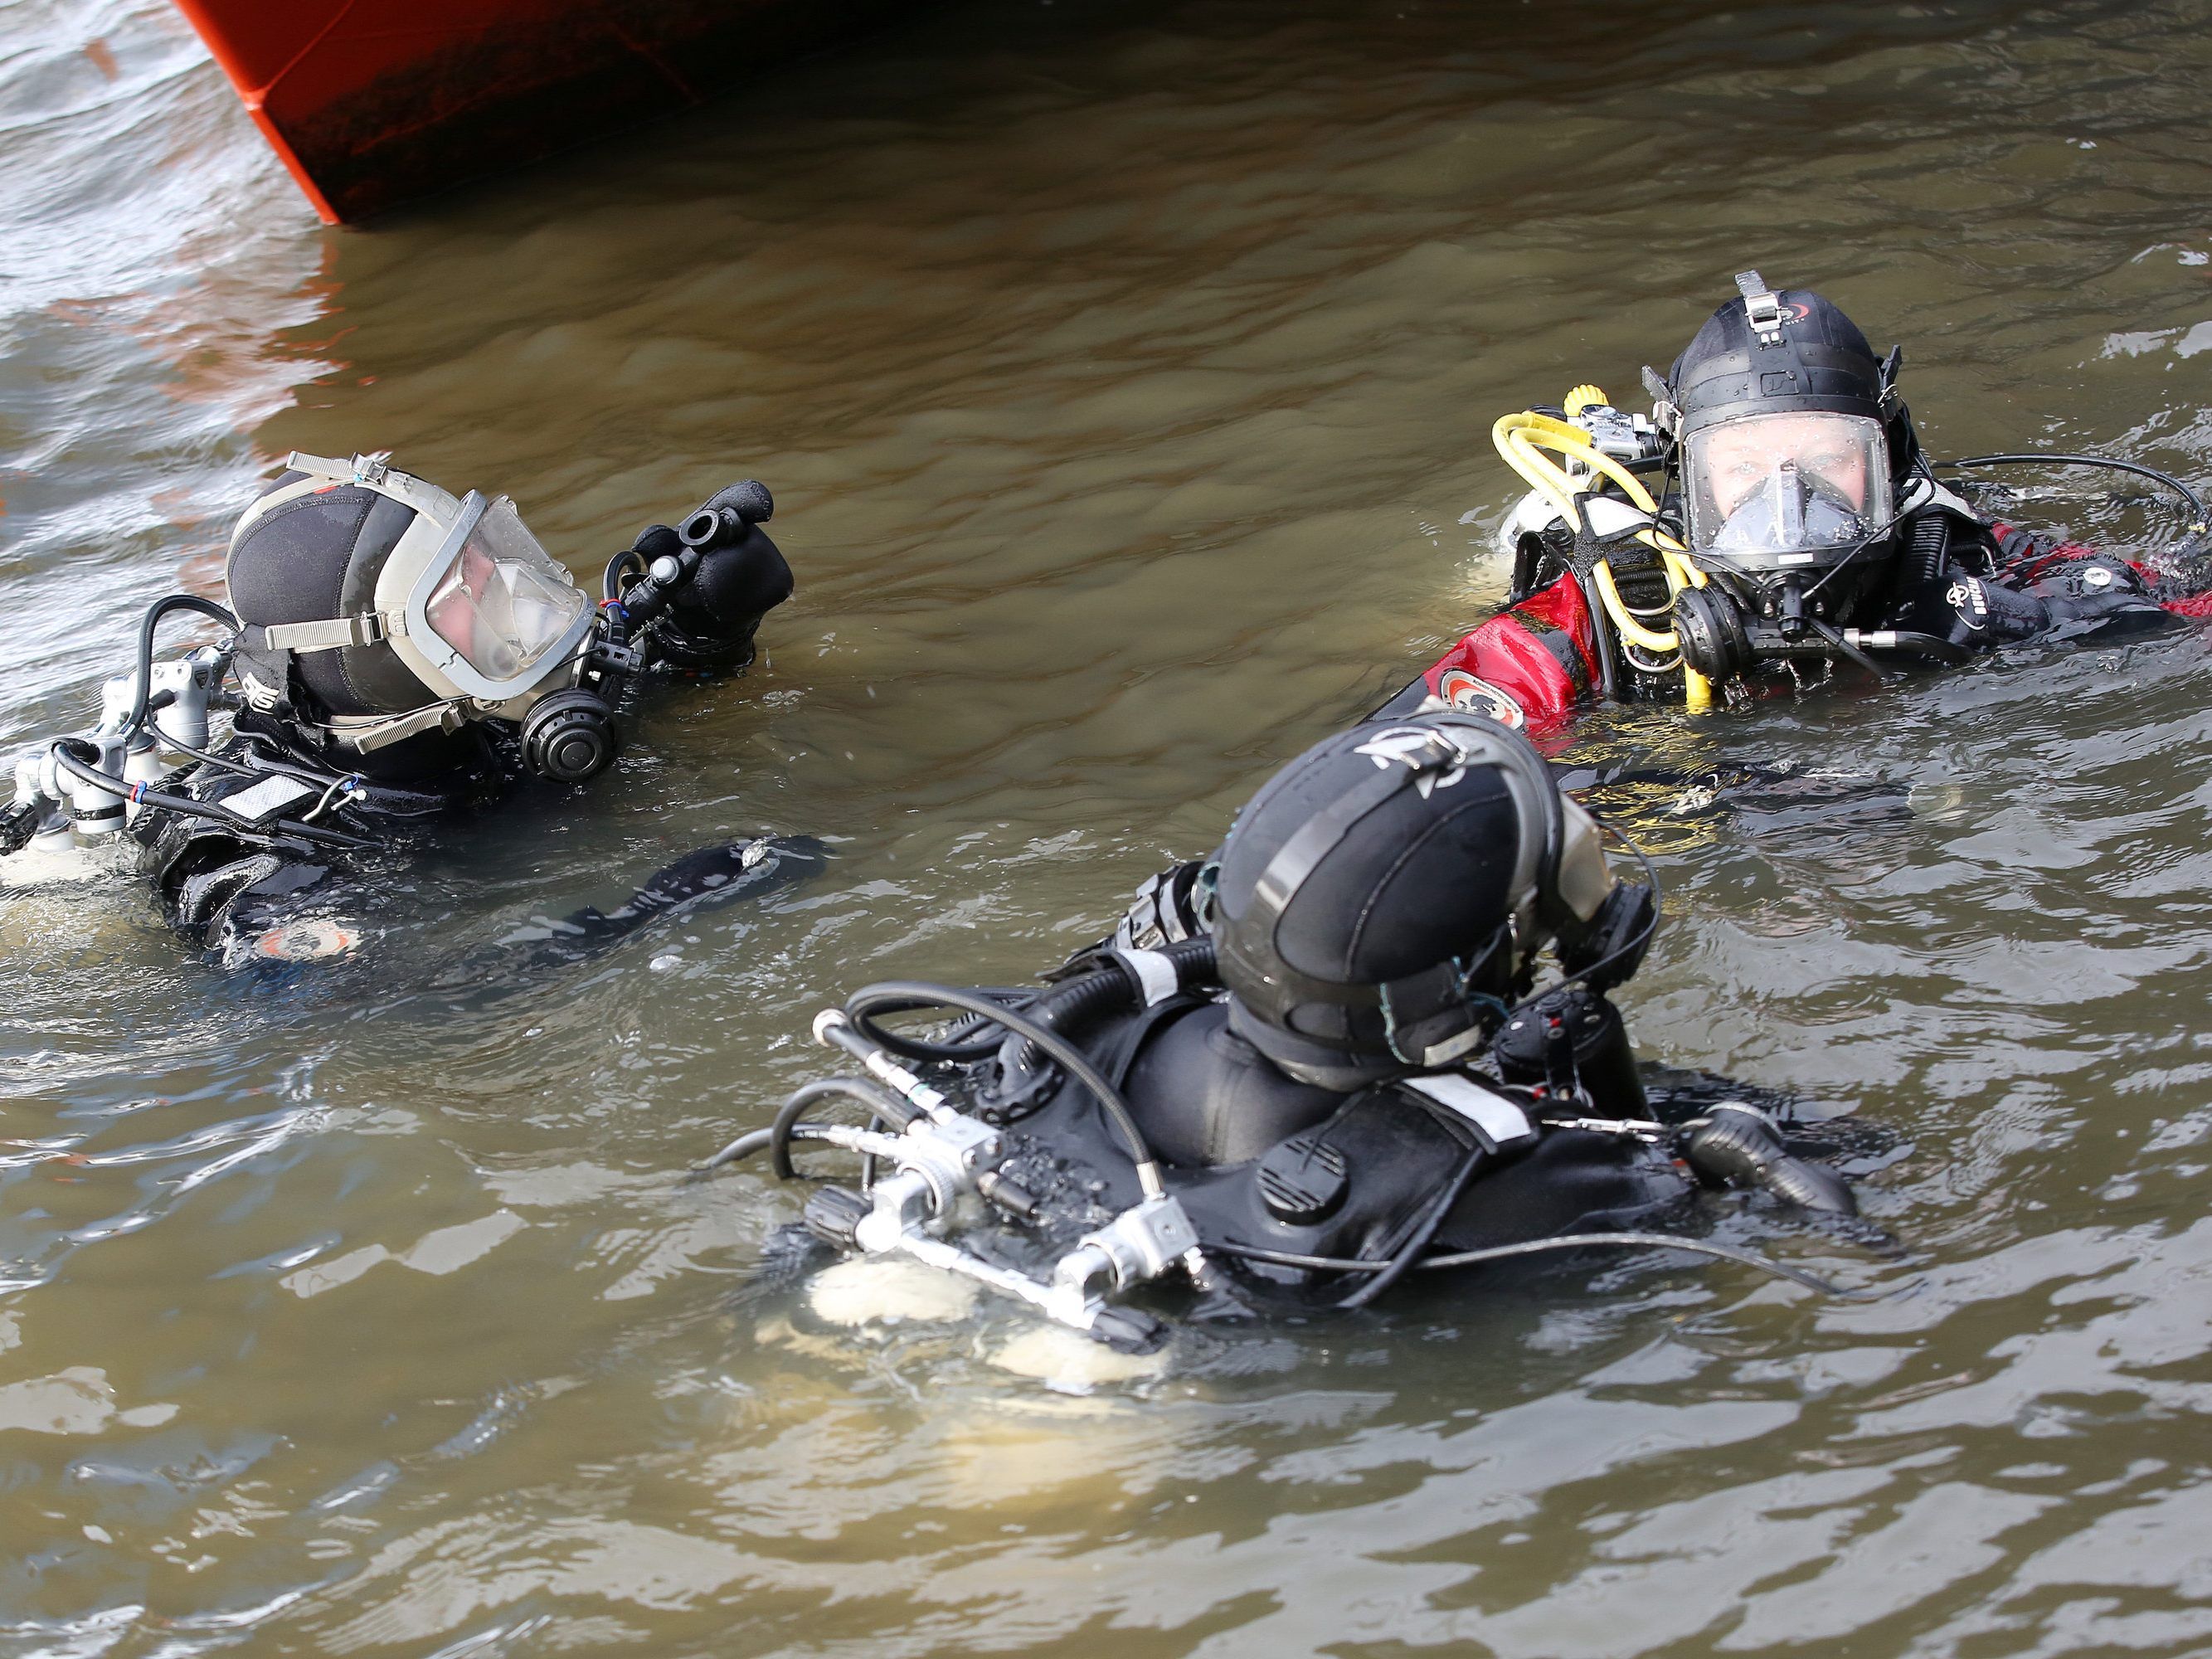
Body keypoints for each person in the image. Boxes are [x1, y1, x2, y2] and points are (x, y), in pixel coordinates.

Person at [720, 711, 1870, 1351]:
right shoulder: (1523, 1187)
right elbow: (1688, 1181)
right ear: (1457, 984)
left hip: (945, 1246)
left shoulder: (1081, 1033)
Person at [2, 452, 821, 965]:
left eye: (483, 562)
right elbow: (402, 996)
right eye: (462, 592)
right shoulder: (243, 855)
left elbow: (611, 715)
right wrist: (650, 912)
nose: (502, 593)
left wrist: (704, 631)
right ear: (376, 657)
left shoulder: (463, 708)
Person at [1383, 272, 2212, 732]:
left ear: (1887, 459)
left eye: (1827, 460)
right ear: (1687, 481)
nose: (1786, 498)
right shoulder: (1617, 603)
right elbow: (1423, 744)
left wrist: (2012, 617)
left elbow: (2175, 602)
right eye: (1743, 467)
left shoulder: (1954, 556)